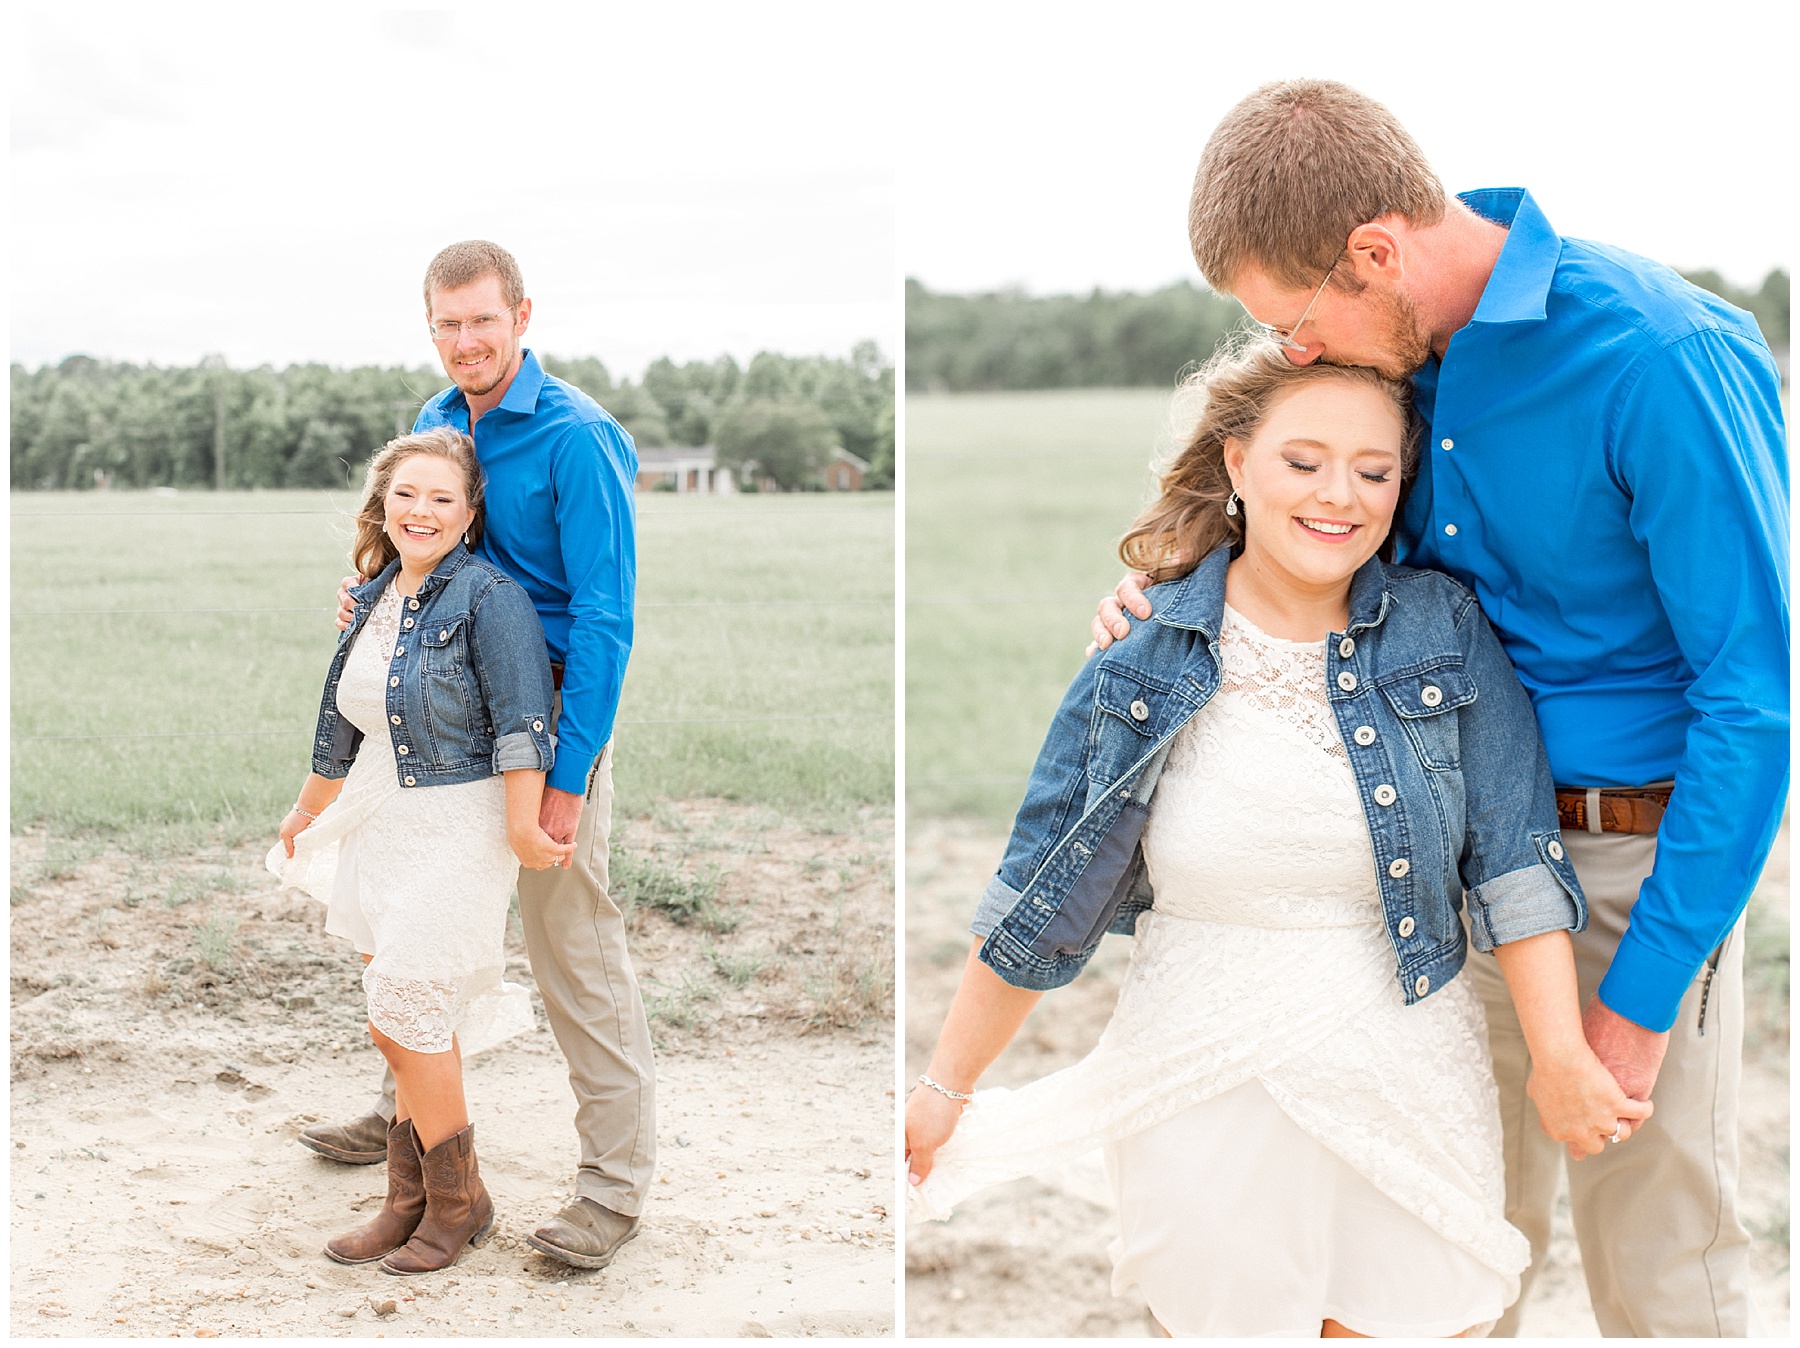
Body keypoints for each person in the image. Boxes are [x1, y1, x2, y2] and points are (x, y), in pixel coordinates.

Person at [1089, 80, 1788, 1336]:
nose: (1293, 349)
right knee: (1441, 1250)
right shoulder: (1387, 355)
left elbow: (1756, 695)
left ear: (1375, 251)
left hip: (1627, 863)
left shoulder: (1665, 358)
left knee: (1661, 1271)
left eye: (1294, 319)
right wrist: (1165, 591)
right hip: (1414, 850)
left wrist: (1634, 1008)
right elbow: (1300, 513)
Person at [906, 342, 1650, 1337]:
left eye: (1374, 470)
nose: (1339, 494)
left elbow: (1515, 859)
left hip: (1407, 1071)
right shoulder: (1144, 657)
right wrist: (943, 1084)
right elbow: (1044, 889)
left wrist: (1559, 1055)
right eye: (1303, 462)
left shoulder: (1446, 631)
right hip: (1204, 1076)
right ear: (1236, 464)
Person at [295, 241, 654, 1272]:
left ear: (521, 315)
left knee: (570, 948)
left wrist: (569, 778)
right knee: (404, 912)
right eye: (448, 325)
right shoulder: (437, 420)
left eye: (483, 322)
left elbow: (605, 619)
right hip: (437, 720)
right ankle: (405, 1121)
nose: (467, 343)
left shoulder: (578, 440)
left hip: (540, 731)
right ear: (432, 328)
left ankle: (612, 1189)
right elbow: (420, 543)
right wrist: (369, 597)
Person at [271, 427, 573, 1273]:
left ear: (470, 512)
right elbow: (339, 720)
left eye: (443, 497)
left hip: (459, 823)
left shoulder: (490, 599)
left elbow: (523, 723)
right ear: (382, 504)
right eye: (407, 494)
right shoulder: (369, 597)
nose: (423, 511)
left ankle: (457, 1204)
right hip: (380, 821)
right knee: (394, 1024)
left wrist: (522, 826)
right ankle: (408, 1202)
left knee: (408, 1010)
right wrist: (306, 809)